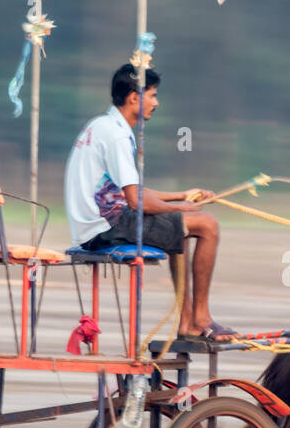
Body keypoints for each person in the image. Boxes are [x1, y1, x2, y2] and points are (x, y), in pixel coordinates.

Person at [65, 64, 232, 337]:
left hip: (97, 223)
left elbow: (132, 192)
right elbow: (135, 202)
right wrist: (181, 208)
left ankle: (188, 322)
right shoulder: (118, 135)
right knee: (208, 225)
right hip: (106, 227)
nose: (156, 102)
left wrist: (180, 196)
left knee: (183, 225)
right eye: (152, 95)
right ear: (133, 97)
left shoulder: (102, 125)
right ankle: (200, 319)